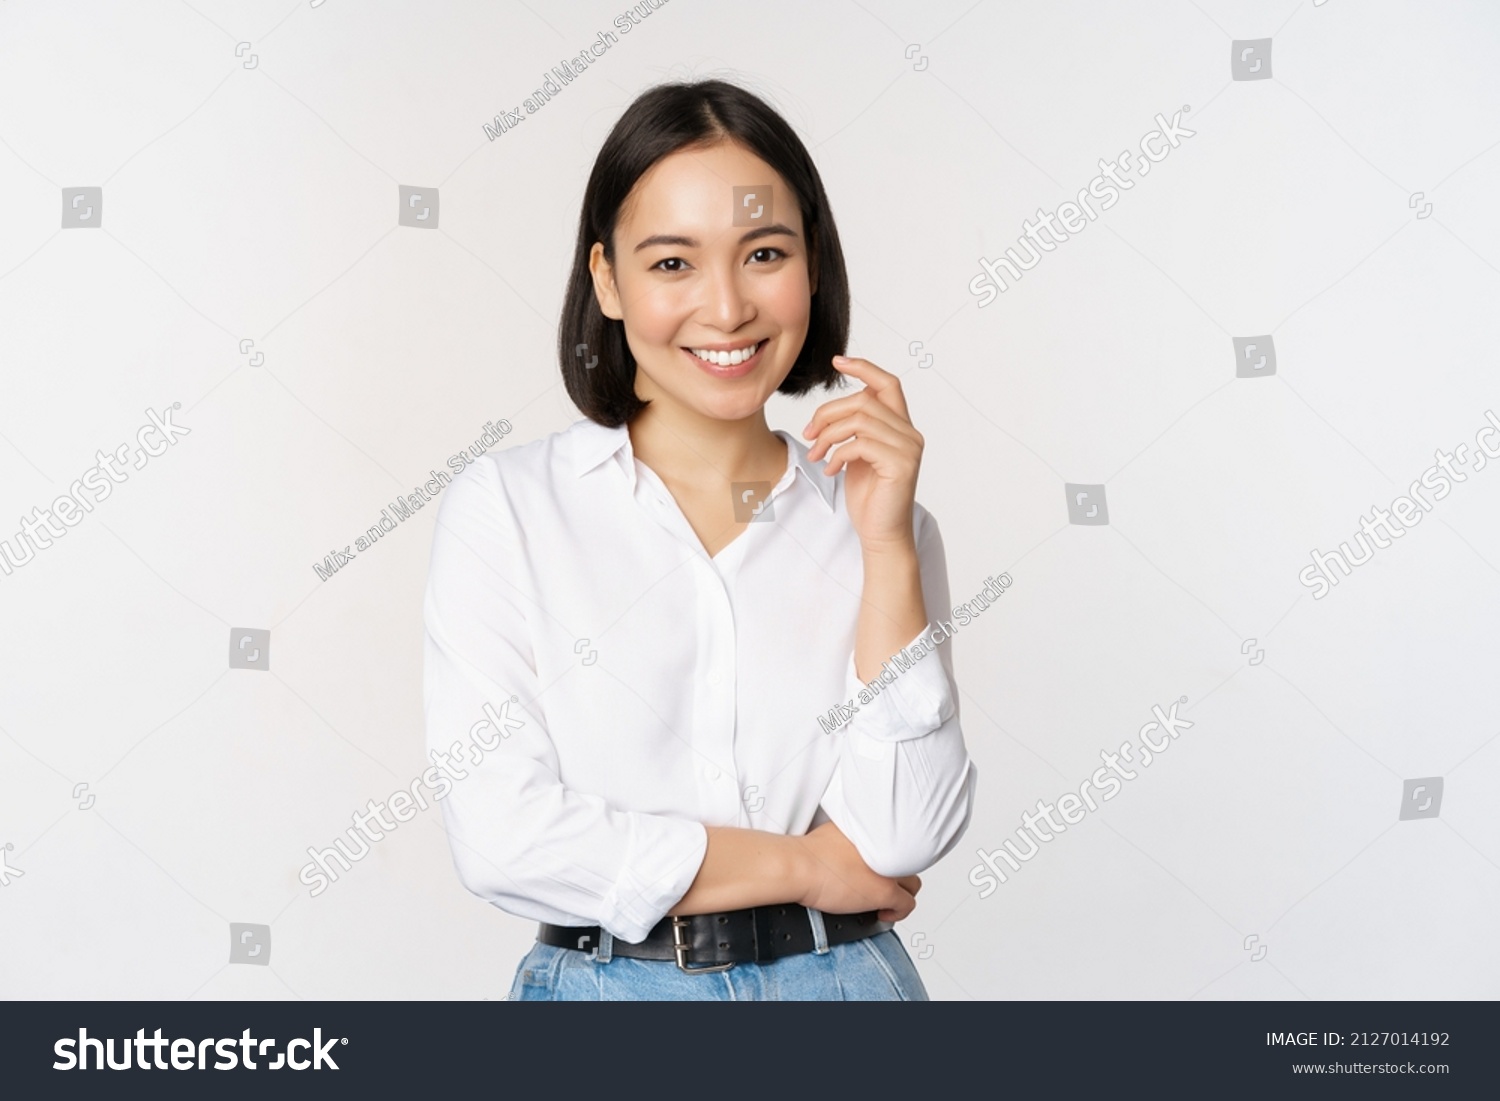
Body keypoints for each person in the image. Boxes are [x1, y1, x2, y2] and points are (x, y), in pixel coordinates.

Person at [422, 78, 977, 1000]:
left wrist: (884, 549)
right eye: (673, 263)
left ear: (814, 265)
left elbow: (905, 832)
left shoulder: (886, 521)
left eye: (764, 253)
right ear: (607, 279)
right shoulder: (509, 509)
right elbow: (502, 839)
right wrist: (808, 870)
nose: (726, 309)